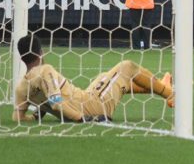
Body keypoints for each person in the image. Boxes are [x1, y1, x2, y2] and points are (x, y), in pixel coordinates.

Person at [12, 34, 174, 122]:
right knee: (127, 67)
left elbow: (17, 118)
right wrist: (83, 118)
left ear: (21, 58)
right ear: (41, 52)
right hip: (93, 107)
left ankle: (160, 85)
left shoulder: (21, 88)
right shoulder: (45, 70)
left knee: (104, 77)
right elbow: (56, 104)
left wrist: (35, 116)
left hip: (86, 99)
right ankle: (171, 94)